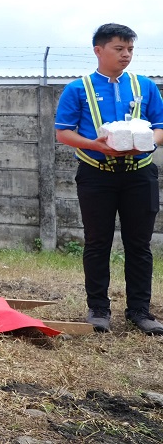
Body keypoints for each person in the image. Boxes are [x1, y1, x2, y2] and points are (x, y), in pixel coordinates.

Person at [54, 24, 163, 336]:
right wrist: (96, 145)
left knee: (139, 244)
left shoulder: (145, 86)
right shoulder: (78, 88)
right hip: (96, 175)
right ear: (98, 50)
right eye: (119, 49)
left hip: (139, 175)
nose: (126, 54)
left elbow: (160, 127)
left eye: (130, 49)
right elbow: (63, 133)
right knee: (98, 242)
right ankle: (98, 310)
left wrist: (146, 141)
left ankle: (140, 312)